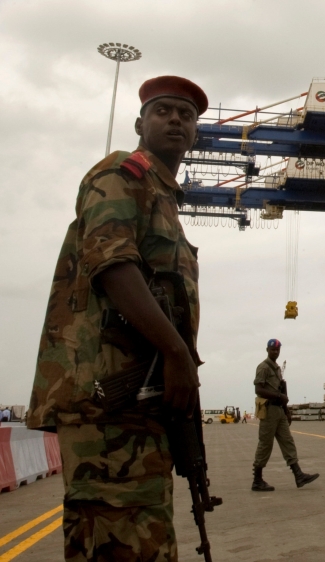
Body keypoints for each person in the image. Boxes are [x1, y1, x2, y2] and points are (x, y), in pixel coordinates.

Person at [26, 76, 208, 561]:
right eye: (163, 111)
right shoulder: (121, 175)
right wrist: (175, 353)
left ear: (195, 133)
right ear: (139, 123)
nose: (175, 120)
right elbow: (112, 263)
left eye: (186, 116)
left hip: (137, 401)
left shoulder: (164, 198)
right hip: (106, 398)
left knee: (142, 534)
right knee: (119, 538)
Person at [252, 339, 318, 491]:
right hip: (269, 411)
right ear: (267, 350)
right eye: (272, 350)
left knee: (288, 441)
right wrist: (278, 396)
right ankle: (257, 480)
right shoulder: (263, 367)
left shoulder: (276, 368)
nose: (275, 352)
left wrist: (286, 410)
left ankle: (298, 475)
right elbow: (258, 389)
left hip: (279, 411)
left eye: (277, 350)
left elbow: (281, 389)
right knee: (265, 444)